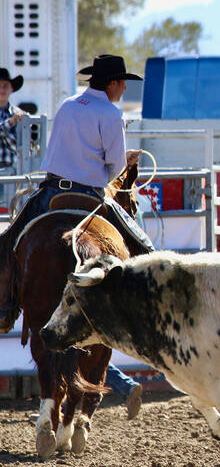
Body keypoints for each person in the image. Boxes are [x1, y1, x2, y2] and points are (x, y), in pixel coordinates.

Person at [0, 54, 155, 330]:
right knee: (142, 242)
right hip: (90, 194)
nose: (124, 90)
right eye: (123, 84)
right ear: (113, 83)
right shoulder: (111, 114)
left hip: (50, 191)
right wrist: (108, 171)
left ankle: (5, 307)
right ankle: (146, 305)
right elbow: (116, 166)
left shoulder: (68, 105)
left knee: (9, 240)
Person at [0, 67, 28, 208]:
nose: (2, 90)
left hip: (11, 171)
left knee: (9, 210)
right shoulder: (15, 116)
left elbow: (21, 145)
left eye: (5, 86)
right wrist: (10, 123)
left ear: (11, 89)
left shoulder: (18, 114)